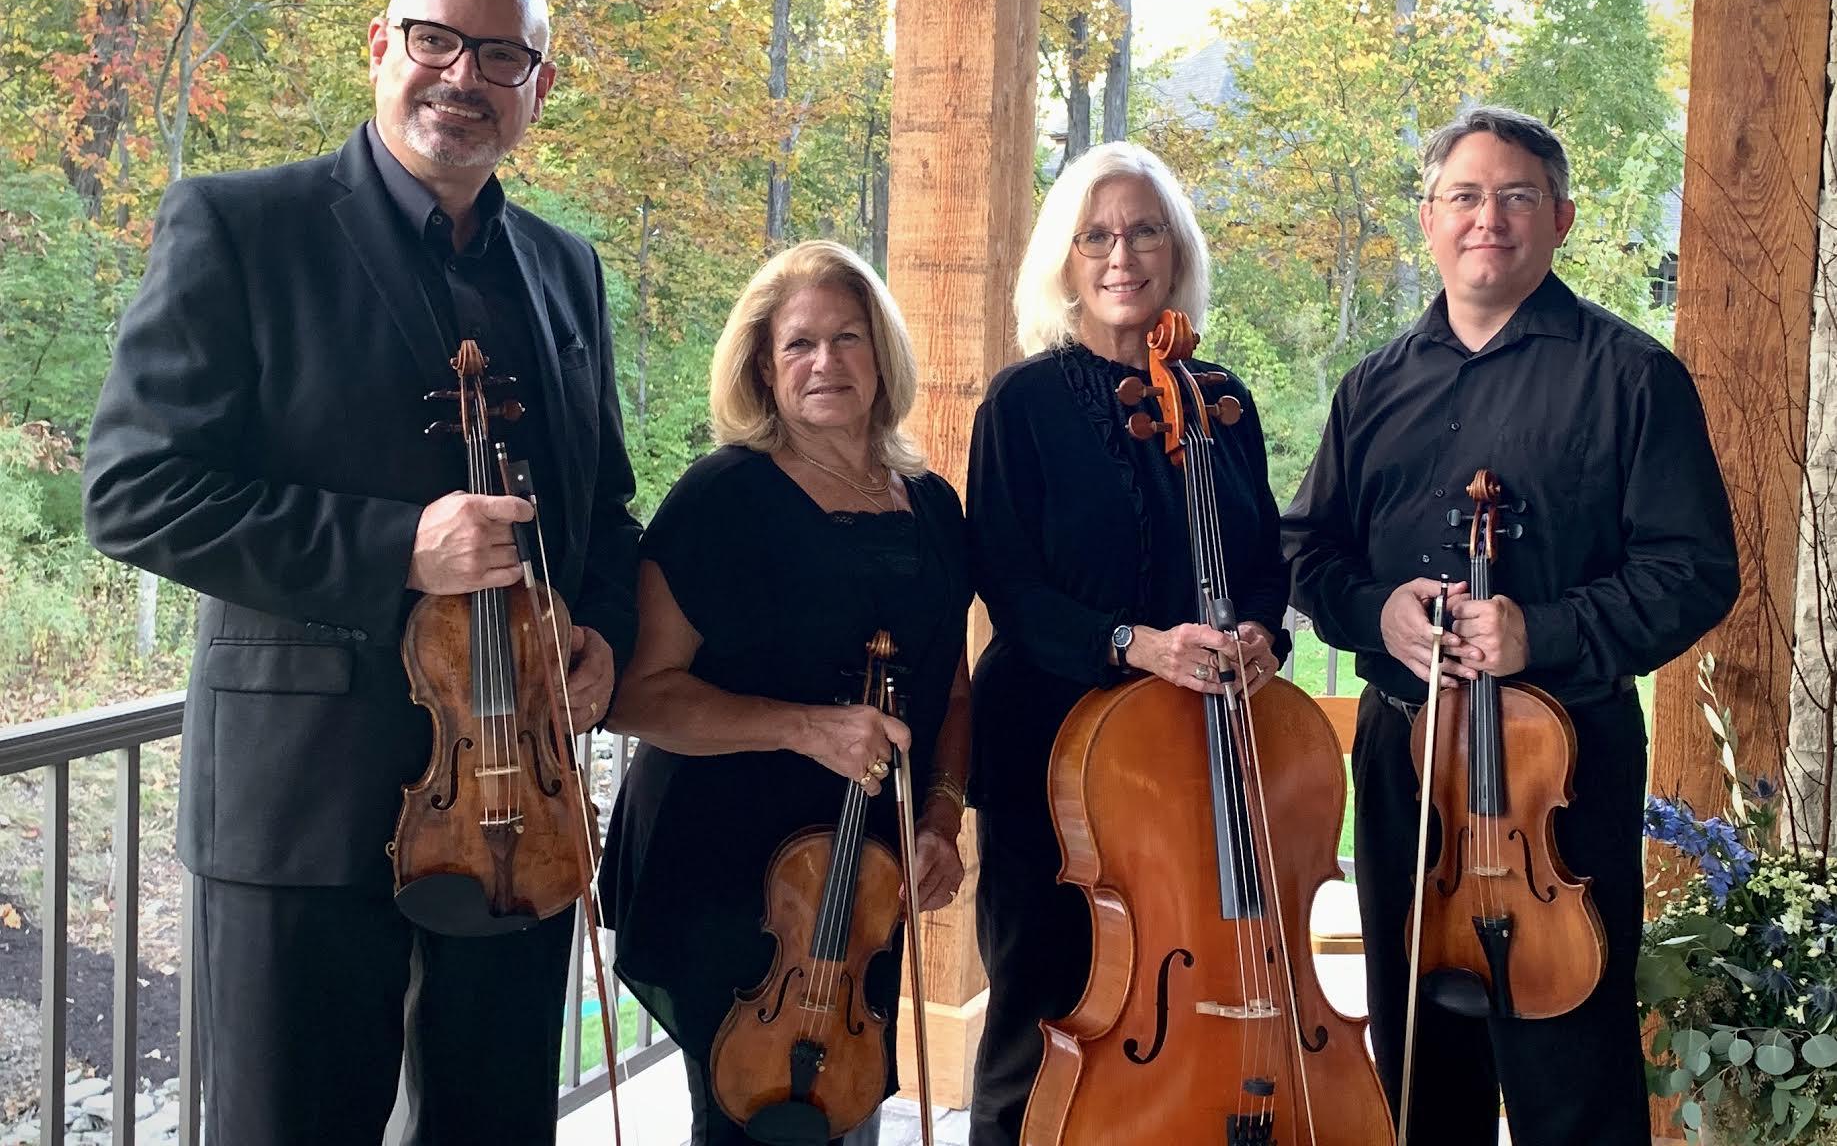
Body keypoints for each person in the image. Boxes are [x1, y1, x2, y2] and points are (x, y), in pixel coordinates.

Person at [81, 0, 640, 1145]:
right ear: (382, 47)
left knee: (498, 1129)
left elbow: (604, 510)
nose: (464, 77)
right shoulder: (241, 225)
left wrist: (601, 634)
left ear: (538, 87)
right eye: (437, 40)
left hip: (517, 804)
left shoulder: (564, 268)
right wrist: (399, 550)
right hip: (306, 800)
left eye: (503, 56)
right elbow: (134, 490)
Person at [1282, 105, 1739, 1145]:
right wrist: (1376, 611)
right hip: (1408, 756)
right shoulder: (1372, 387)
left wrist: (1546, 631)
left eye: (1516, 195)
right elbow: (1306, 551)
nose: (1487, 218)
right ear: (1428, 219)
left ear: (1560, 218)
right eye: (1464, 196)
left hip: (1560, 764)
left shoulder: (1630, 377)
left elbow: (1693, 572)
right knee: (1417, 1056)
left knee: (1569, 1065)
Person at [598, 240, 972, 1146]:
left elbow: (950, 687)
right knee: (752, 1118)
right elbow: (638, 698)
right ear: (763, 369)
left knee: (844, 1105)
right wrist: (807, 728)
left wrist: (939, 817)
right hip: (727, 864)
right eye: (798, 344)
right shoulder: (721, 497)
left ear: (881, 355)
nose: (824, 362)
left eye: (847, 338)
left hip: (862, 868)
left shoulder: (931, 503)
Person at [963, 142, 1292, 1143]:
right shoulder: (1021, 403)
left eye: (1144, 231)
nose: (1121, 255)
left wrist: (1261, 635)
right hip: (1053, 758)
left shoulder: (1220, 399)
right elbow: (1010, 584)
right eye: (1095, 236)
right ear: (1063, 260)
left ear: (1174, 251)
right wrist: (1133, 644)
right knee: (1043, 1010)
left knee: (1175, 994)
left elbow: (1262, 561)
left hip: (1192, 754)